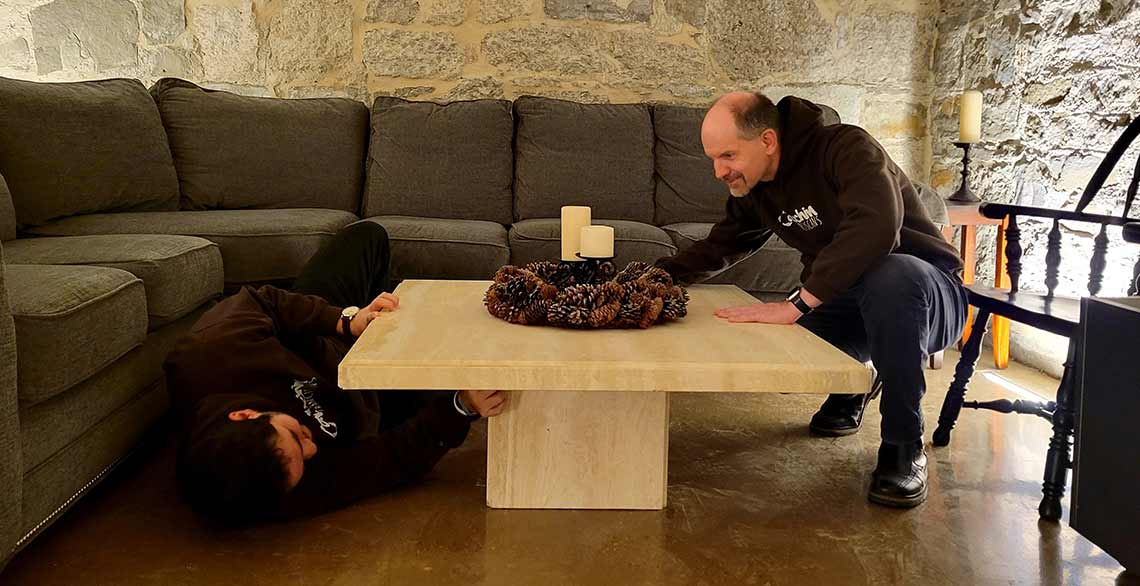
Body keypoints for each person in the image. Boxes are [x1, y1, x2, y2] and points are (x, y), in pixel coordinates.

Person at [655, 92, 967, 508]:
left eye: (728, 155)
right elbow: (721, 245)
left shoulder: (846, 148)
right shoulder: (757, 187)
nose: (719, 171)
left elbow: (878, 228)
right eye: (713, 158)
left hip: (928, 297)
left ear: (767, 140)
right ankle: (856, 382)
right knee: (786, 358)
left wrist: (797, 304)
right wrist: (654, 278)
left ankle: (904, 445)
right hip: (852, 303)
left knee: (891, 273)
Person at [165, 222, 507, 522]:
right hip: (373, 403)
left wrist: (346, 320)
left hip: (325, 338)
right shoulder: (278, 490)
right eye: (304, 458)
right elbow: (389, 462)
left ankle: (376, 316)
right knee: (463, 357)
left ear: (244, 415)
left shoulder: (208, 356)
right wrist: (461, 407)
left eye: (296, 433)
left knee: (366, 236)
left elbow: (264, 301)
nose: (311, 449)